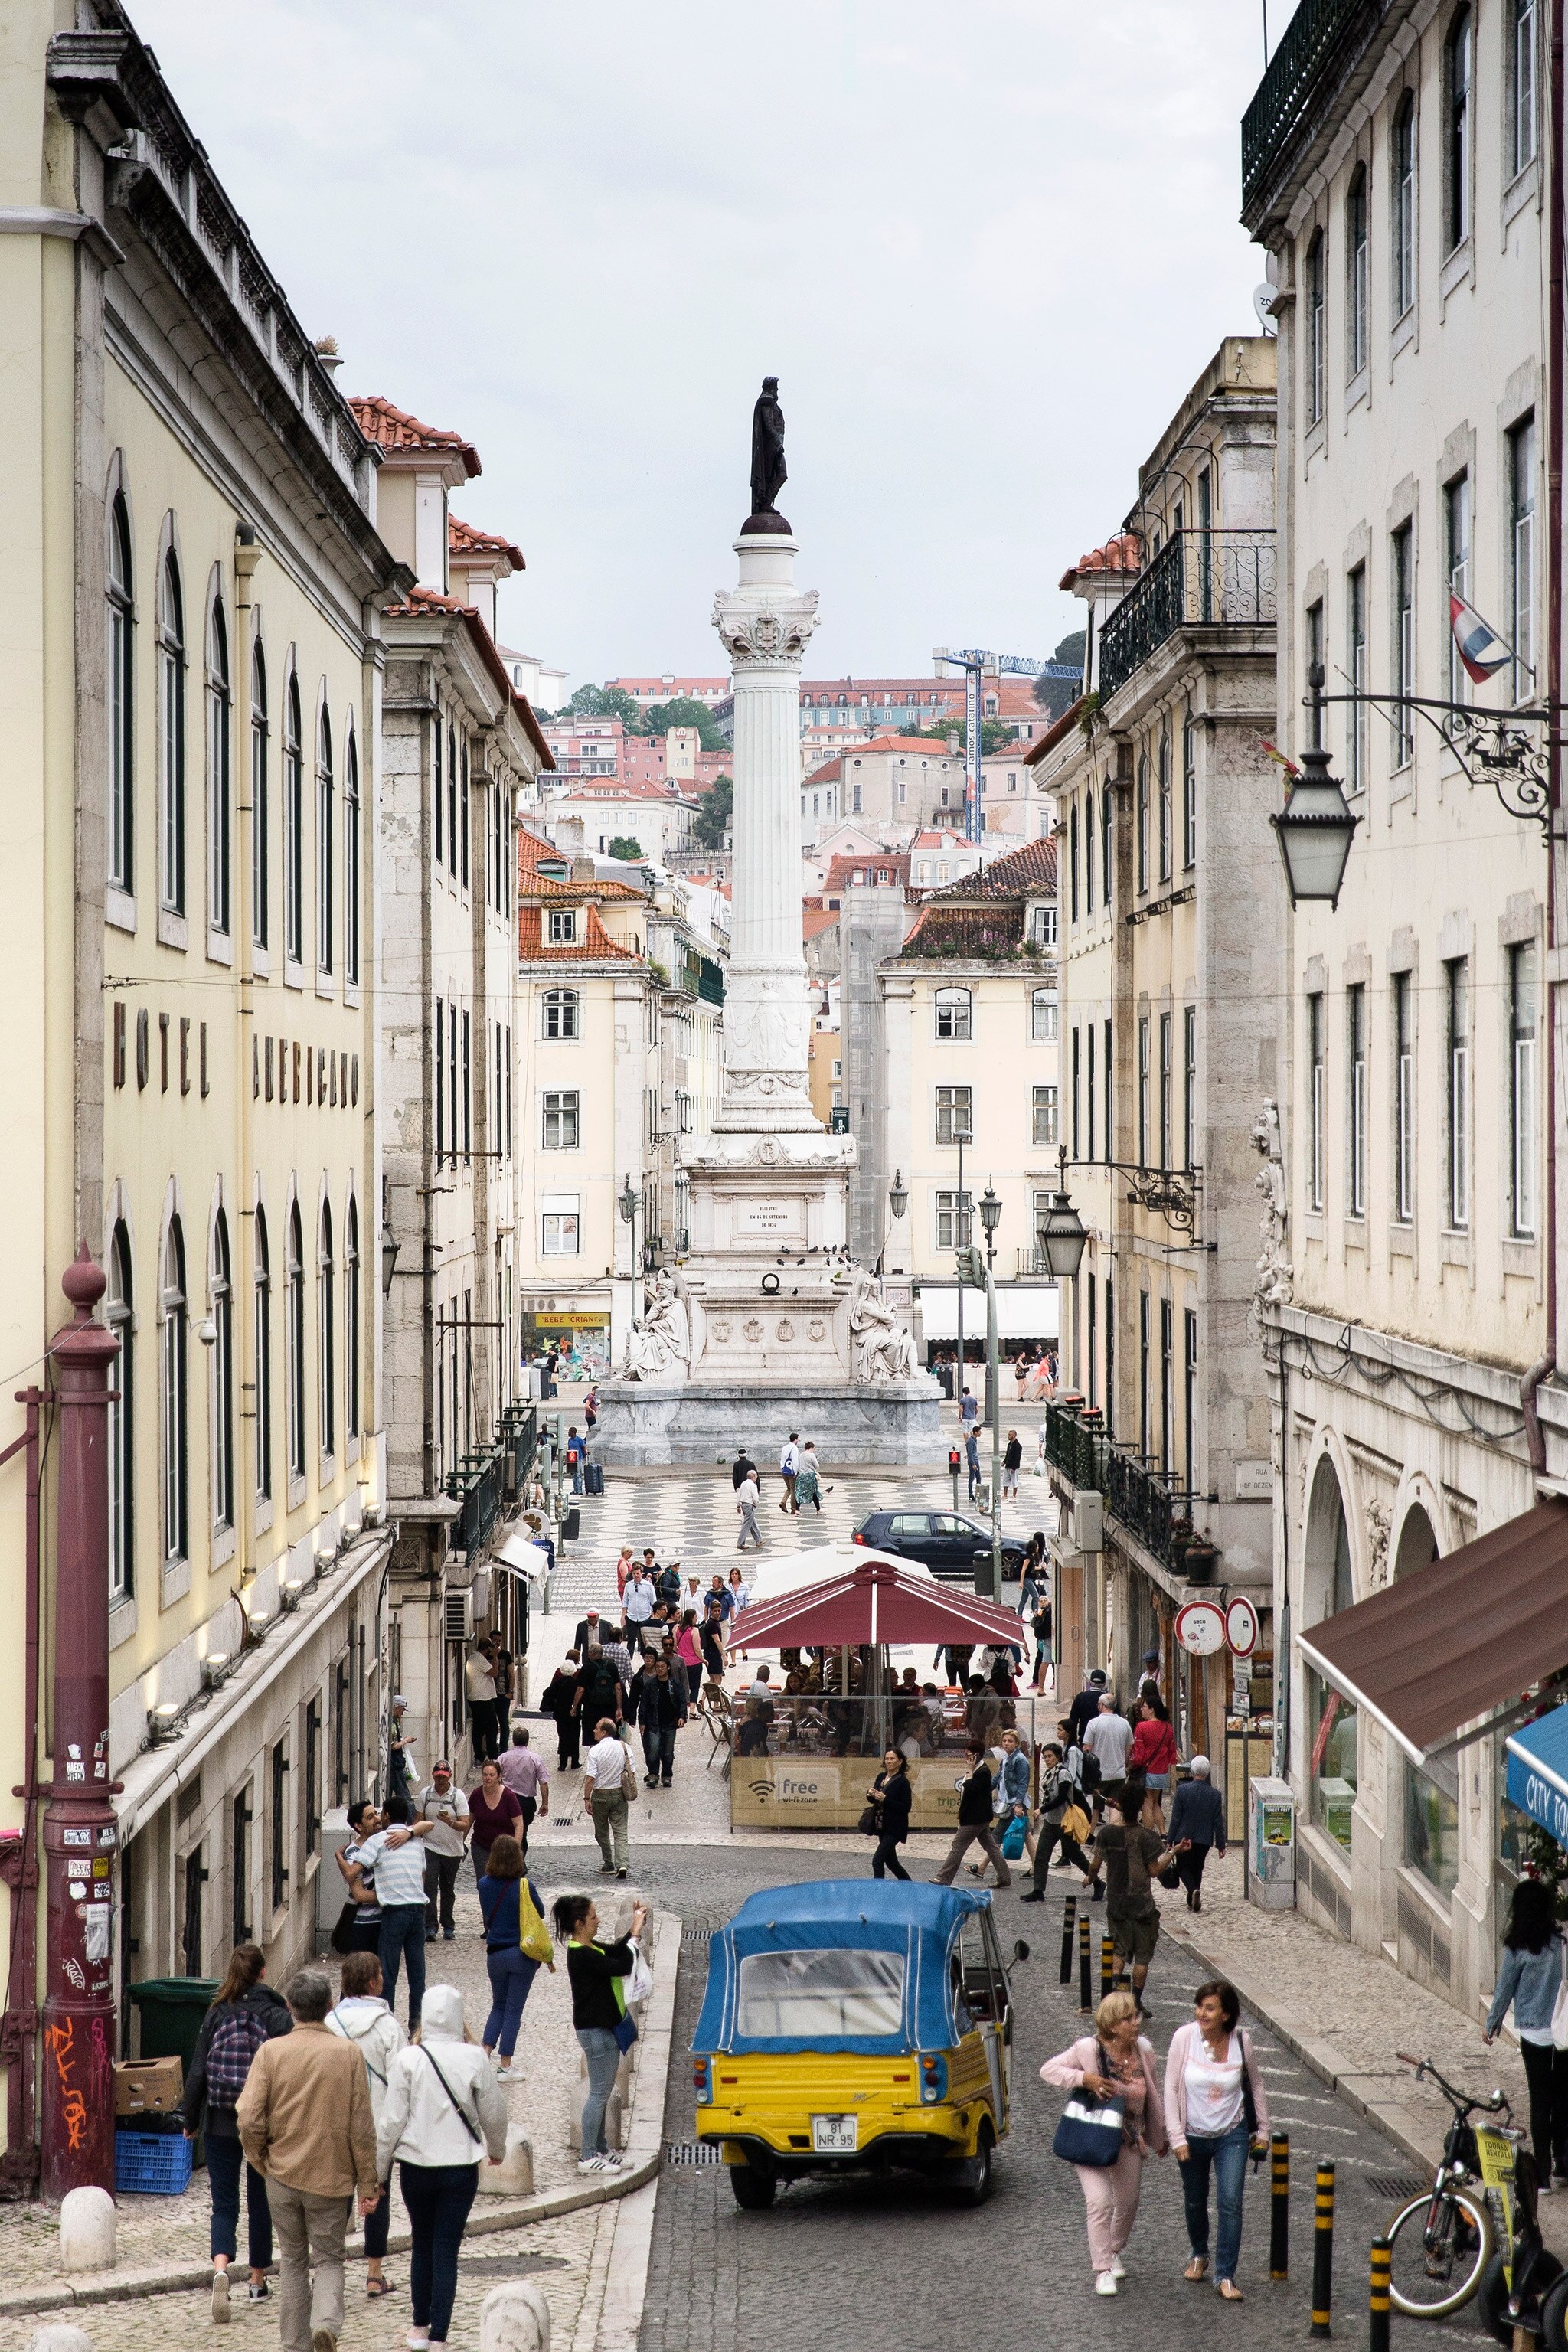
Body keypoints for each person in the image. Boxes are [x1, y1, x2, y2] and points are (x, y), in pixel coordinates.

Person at [236, 1968, 380, 2352]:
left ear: (290, 2008)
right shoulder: (349, 2055)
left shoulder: (271, 2053)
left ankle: (293, 2343)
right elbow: (362, 2128)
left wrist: (260, 2159)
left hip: (281, 2175)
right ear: (329, 2006)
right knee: (331, 2258)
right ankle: (326, 2326)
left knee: (294, 2260)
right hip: (331, 2179)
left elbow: (249, 2117)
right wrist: (368, 2185)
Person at [375, 1982, 508, 2352]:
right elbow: (494, 2113)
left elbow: (390, 2122)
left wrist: (378, 2171)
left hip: (416, 2167)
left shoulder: (408, 2059)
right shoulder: (474, 2058)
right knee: (446, 2248)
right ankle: (439, 2337)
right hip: (459, 2168)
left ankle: (419, 2326)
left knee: (422, 2242)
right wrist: (496, 2149)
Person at [185, 1943, 292, 2321]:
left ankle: (220, 2268)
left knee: (224, 2202)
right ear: (262, 1973)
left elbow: (198, 2071)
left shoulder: (216, 2013)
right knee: (261, 2200)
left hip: (218, 2121)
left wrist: (190, 2121)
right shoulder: (278, 2016)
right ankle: (258, 2280)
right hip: (262, 2122)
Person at [1040, 1988, 1168, 2296]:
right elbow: (1048, 2069)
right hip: (1092, 2135)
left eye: (1135, 2015)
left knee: (1128, 2202)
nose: (1135, 2022)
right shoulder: (1088, 2048)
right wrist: (1085, 2079)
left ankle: (1112, 2249)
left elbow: (1152, 2093)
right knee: (1100, 2201)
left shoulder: (1144, 2051)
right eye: (1127, 2018)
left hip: (1128, 2138)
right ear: (1111, 2024)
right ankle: (1103, 2270)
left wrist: (1159, 2134)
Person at [1165, 1978, 1269, 2299]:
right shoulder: (1184, 2037)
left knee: (1230, 2202)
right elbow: (1169, 2088)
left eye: (1210, 2008)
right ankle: (1199, 2253)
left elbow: (1255, 2086)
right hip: (1192, 2136)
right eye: (1199, 2006)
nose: (1201, 2013)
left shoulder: (1242, 2040)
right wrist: (1176, 2136)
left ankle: (1226, 2274)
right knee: (1195, 2199)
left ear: (1226, 2014)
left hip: (1232, 2135)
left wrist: (1263, 2130)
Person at [326, 1953, 407, 2305]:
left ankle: (329, 2275)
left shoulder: (327, 2023)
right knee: (379, 2197)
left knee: (332, 2202)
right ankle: (374, 2274)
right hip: (376, 2129)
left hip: (333, 2127)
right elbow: (403, 2083)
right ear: (374, 1982)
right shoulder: (388, 2027)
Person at [554, 1891, 648, 2173]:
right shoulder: (582, 1955)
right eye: (593, 1916)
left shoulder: (589, 1948)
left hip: (600, 2029)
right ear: (580, 1923)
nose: (598, 1920)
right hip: (596, 2032)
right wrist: (633, 1936)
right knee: (598, 2093)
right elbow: (622, 1965)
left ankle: (602, 2149)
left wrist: (634, 1930)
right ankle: (587, 2156)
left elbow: (616, 1952)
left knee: (603, 2092)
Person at [1487, 1877, 1568, 2189]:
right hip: (1562, 2031)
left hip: (1533, 2032)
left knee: (1540, 2100)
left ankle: (1543, 2175)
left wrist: (1492, 2023)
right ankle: (1562, 2160)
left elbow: (1505, 1988)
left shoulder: (1516, 1947)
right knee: (1561, 2098)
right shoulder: (1560, 1942)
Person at [1088, 1791, 1185, 2016]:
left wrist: (1090, 1879)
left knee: (1119, 1951)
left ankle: (1113, 1999)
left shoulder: (1107, 1833)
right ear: (1140, 1809)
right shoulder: (1147, 1837)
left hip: (1117, 1901)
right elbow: (1154, 1872)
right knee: (1143, 1957)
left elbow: (1094, 1865)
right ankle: (1136, 2000)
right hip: (1142, 1904)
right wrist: (1173, 1852)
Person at [352, 1798, 439, 2029]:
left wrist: (340, 1857)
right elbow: (422, 1878)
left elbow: (352, 1872)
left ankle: (387, 2025)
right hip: (418, 1911)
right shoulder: (417, 1843)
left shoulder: (379, 1841)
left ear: (387, 1816)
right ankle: (416, 2026)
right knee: (417, 1974)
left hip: (394, 1913)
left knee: (387, 1974)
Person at [477, 1834, 547, 2080]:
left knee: (498, 2004)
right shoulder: (524, 1886)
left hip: (494, 1953)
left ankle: (484, 2055)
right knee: (513, 2010)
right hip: (521, 1954)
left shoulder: (483, 1884)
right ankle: (505, 2066)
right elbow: (541, 1912)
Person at [1019, 1742, 1096, 1902]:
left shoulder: (1063, 1774)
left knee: (1076, 1856)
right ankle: (1038, 1891)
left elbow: (1061, 1798)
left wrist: (1041, 1810)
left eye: (1050, 1756)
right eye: (1045, 1757)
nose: (1047, 1759)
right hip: (1051, 1823)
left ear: (1058, 1757)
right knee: (1041, 1856)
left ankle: (1098, 1882)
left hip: (1064, 1822)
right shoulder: (1048, 1774)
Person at [934, 1742, 1012, 1889]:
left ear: (976, 1755)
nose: (966, 1759)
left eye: (969, 1756)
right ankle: (1004, 1877)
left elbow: (970, 1789)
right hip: (978, 1818)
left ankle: (943, 1877)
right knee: (991, 1847)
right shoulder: (978, 1770)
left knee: (958, 1846)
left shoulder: (982, 1771)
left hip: (974, 1819)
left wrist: (969, 1771)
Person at [416, 1763, 471, 1943]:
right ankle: (430, 1926)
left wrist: (450, 1822)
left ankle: (448, 1926)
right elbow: (418, 1821)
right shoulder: (425, 1795)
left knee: (448, 1889)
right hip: (430, 1847)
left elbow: (465, 1823)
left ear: (450, 1776)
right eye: (438, 1776)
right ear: (433, 1775)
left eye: (444, 1776)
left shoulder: (458, 1796)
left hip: (452, 1850)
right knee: (429, 1886)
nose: (441, 1779)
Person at [1168, 1754, 1227, 1911]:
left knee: (1182, 1867)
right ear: (1207, 1773)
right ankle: (1193, 1896)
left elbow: (1176, 1818)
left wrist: (1170, 1839)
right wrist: (1221, 1844)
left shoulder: (1182, 1791)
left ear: (1192, 1771)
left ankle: (1193, 1891)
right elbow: (1218, 1822)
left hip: (1183, 1837)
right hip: (1204, 1839)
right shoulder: (1215, 1795)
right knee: (1197, 1867)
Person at [583, 1714, 633, 1877]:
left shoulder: (595, 1751)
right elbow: (631, 1770)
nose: (594, 1730)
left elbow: (591, 1777)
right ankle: (622, 1864)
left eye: (597, 1728)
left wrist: (586, 1798)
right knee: (620, 1831)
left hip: (600, 1795)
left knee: (602, 1832)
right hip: (619, 1794)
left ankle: (608, 1863)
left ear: (604, 1732)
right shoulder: (625, 1747)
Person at [335, 1801, 385, 1956]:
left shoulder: (386, 1843)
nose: (377, 1819)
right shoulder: (353, 1853)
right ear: (359, 1826)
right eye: (370, 1817)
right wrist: (393, 1896)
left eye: (376, 1814)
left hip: (385, 1921)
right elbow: (359, 1894)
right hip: (365, 1924)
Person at [466, 1756, 525, 1886]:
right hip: (481, 1845)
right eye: (485, 1775)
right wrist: (460, 1843)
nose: (488, 1778)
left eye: (492, 1775)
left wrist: (515, 1848)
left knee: (503, 1883)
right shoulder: (476, 1795)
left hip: (504, 1849)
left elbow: (519, 1824)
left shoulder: (509, 1796)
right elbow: (468, 1821)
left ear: (499, 1776)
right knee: (483, 1884)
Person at [635, 1652, 686, 1787]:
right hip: (653, 1723)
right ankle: (653, 1775)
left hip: (670, 1723)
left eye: (663, 1666)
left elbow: (681, 1700)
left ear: (668, 1668)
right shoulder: (650, 1685)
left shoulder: (674, 1684)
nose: (660, 1669)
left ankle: (667, 1776)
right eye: (658, 1667)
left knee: (668, 1752)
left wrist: (682, 1716)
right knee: (653, 1750)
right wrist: (642, 1722)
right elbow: (643, 1705)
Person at [1083, 1690, 1135, 1815]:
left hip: (1100, 1774)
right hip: (1119, 1772)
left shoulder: (1093, 1723)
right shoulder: (1124, 1723)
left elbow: (1087, 1749)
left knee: (1096, 1809)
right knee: (1115, 1807)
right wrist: (1124, 1761)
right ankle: (1115, 1831)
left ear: (1101, 1705)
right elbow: (1129, 1746)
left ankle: (1091, 1833)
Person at [1129, 1694, 1178, 1822]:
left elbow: (1138, 1754)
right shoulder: (1168, 1727)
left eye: (1144, 1707)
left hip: (1147, 1771)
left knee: (1147, 1806)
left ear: (1152, 1710)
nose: (1141, 1709)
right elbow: (1172, 1751)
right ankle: (1162, 1832)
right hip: (1162, 1772)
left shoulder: (1142, 1727)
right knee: (1156, 1803)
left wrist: (1132, 1764)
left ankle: (1149, 1834)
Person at [867, 1748, 913, 1880]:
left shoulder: (903, 1782)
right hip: (882, 1826)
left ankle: (879, 1890)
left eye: (892, 1759)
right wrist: (870, 1794)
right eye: (887, 1759)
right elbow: (874, 1799)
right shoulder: (881, 1777)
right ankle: (910, 1887)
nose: (889, 1762)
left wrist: (885, 1799)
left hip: (895, 1828)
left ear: (900, 1762)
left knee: (877, 1860)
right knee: (892, 1863)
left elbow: (905, 1807)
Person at [497, 1726, 549, 1829]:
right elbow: (543, 1783)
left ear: (513, 1740)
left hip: (506, 1800)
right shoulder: (535, 1758)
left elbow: (496, 1780)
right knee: (522, 1830)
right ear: (527, 1741)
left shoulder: (502, 1758)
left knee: (508, 1830)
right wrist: (545, 1803)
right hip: (527, 1803)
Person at [544, 1651, 582, 1772]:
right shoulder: (577, 1684)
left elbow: (546, 1693)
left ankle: (562, 1764)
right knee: (575, 1737)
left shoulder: (558, 1683)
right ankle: (575, 1762)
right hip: (574, 1713)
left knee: (563, 1737)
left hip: (560, 1714)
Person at [463, 1642, 499, 1765]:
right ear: (488, 1649)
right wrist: (495, 1657)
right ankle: (492, 1756)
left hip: (475, 1698)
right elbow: (494, 1673)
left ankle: (479, 1756)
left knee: (479, 1728)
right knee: (492, 1728)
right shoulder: (479, 1659)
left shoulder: (474, 1657)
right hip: (483, 1699)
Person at [1066, 1668, 1109, 1750]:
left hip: (1085, 1738)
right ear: (1104, 1684)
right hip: (1104, 1740)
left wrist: (1073, 1742)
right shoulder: (1109, 1699)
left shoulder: (1081, 1697)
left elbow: (1073, 1721)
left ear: (1090, 1682)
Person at [387, 1694, 414, 1803]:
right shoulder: (392, 1723)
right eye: (402, 1710)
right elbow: (394, 1746)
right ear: (397, 1707)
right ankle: (411, 1818)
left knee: (390, 1797)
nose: (402, 1713)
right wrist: (406, 1740)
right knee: (405, 1797)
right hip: (395, 1766)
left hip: (393, 1765)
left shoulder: (393, 1721)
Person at [622, 1562, 657, 1644]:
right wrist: (625, 1613)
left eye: (638, 1573)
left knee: (643, 1640)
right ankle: (630, 1656)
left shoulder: (648, 1585)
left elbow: (653, 1601)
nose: (636, 1575)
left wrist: (653, 1614)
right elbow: (625, 1600)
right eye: (634, 1574)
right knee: (631, 1639)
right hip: (631, 1616)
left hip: (645, 1616)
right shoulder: (628, 1585)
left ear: (641, 1574)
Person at [736, 1465, 763, 1550]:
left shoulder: (743, 1483)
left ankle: (759, 1540)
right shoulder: (753, 1485)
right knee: (746, 1525)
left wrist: (738, 1505)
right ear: (754, 1476)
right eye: (756, 1477)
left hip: (743, 1505)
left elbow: (739, 1495)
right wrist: (756, 1504)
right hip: (749, 1505)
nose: (756, 1479)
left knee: (752, 1523)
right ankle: (740, 1543)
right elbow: (755, 1498)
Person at [792, 1446, 823, 1513]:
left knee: (800, 1492)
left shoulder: (801, 1455)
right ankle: (818, 1509)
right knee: (814, 1492)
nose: (813, 1450)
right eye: (813, 1449)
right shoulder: (811, 1455)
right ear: (811, 1448)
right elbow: (817, 1466)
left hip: (801, 1475)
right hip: (810, 1476)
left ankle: (797, 1509)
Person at [779, 1432, 800, 1514]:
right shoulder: (794, 1448)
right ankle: (793, 1508)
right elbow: (795, 1461)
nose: (798, 1440)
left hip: (784, 1470)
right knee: (793, 1489)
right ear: (795, 1439)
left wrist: (782, 1468)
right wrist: (795, 1471)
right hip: (791, 1471)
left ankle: (783, 1502)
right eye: (798, 1439)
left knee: (788, 1488)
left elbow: (782, 1459)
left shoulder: (785, 1447)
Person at [1002, 1429, 1023, 1500]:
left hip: (1013, 1467)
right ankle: (1005, 1494)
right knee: (1005, 1480)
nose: (1008, 1436)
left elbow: (1017, 1458)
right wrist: (1004, 1461)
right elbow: (1007, 1454)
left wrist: (1014, 1468)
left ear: (1014, 1435)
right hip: (1008, 1465)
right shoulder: (1009, 1444)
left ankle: (1014, 1495)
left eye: (1010, 1435)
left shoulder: (1018, 1446)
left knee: (1014, 1481)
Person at [565, 1423, 586, 1494]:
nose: (569, 1433)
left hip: (578, 1459)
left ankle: (580, 1490)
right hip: (571, 1460)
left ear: (573, 1433)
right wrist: (566, 1460)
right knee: (574, 1476)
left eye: (570, 1432)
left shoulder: (579, 1440)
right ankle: (575, 1490)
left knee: (579, 1475)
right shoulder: (569, 1440)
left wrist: (586, 1453)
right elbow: (569, 1449)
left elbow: (584, 1447)